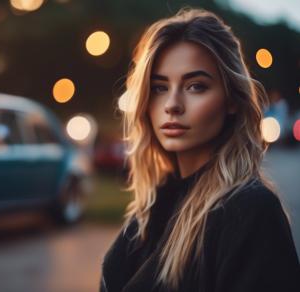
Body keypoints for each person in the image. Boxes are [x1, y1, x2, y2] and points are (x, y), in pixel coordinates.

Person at [100, 8, 300, 292]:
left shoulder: (249, 211)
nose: (172, 104)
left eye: (195, 86)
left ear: (231, 99)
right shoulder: (152, 206)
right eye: (159, 88)